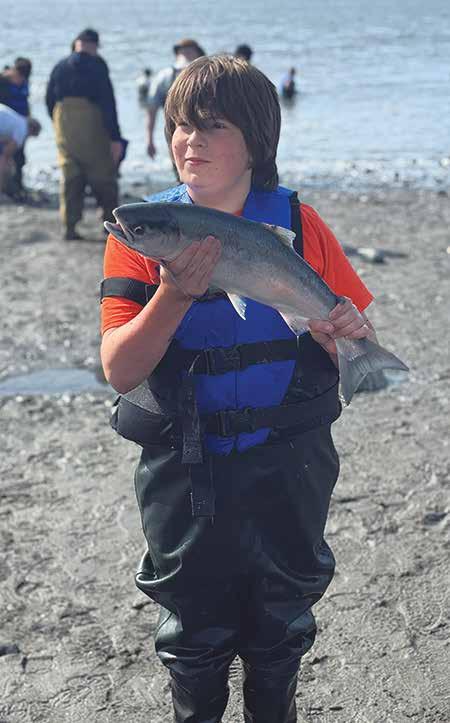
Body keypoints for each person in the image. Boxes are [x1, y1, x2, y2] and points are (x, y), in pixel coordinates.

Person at [100, 55, 375, 722]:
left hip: (289, 463)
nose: (188, 140)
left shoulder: (301, 225)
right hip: (187, 473)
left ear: (256, 140)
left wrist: (345, 334)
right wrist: (173, 293)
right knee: (193, 641)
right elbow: (120, 370)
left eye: (210, 125)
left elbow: (353, 330)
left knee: (281, 631)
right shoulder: (143, 233)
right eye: (179, 125)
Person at [46, 28, 123, 240]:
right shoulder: (98, 65)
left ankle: (69, 226)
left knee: (70, 174)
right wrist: (115, 137)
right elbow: (108, 102)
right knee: (103, 173)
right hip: (92, 125)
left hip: (65, 125)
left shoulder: (60, 66)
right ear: (95, 46)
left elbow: (49, 100)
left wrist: (59, 124)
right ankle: (109, 224)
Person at [145, 38, 205, 159]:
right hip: (204, 133)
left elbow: (151, 109)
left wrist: (149, 140)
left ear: (177, 54)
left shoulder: (163, 76)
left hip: (175, 133)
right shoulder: (206, 73)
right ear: (198, 53)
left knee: (178, 164)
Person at [0, 57, 33, 198]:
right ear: (14, 71)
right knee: (4, 156)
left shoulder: (25, 82)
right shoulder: (2, 82)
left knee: (19, 158)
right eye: (19, 77)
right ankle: (5, 188)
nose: (21, 80)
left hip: (20, 125)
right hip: (5, 126)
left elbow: (26, 102)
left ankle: (17, 186)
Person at [0, 103, 40, 197]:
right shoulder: (22, 130)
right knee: (4, 163)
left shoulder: (18, 119)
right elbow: (6, 153)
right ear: (32, 130)